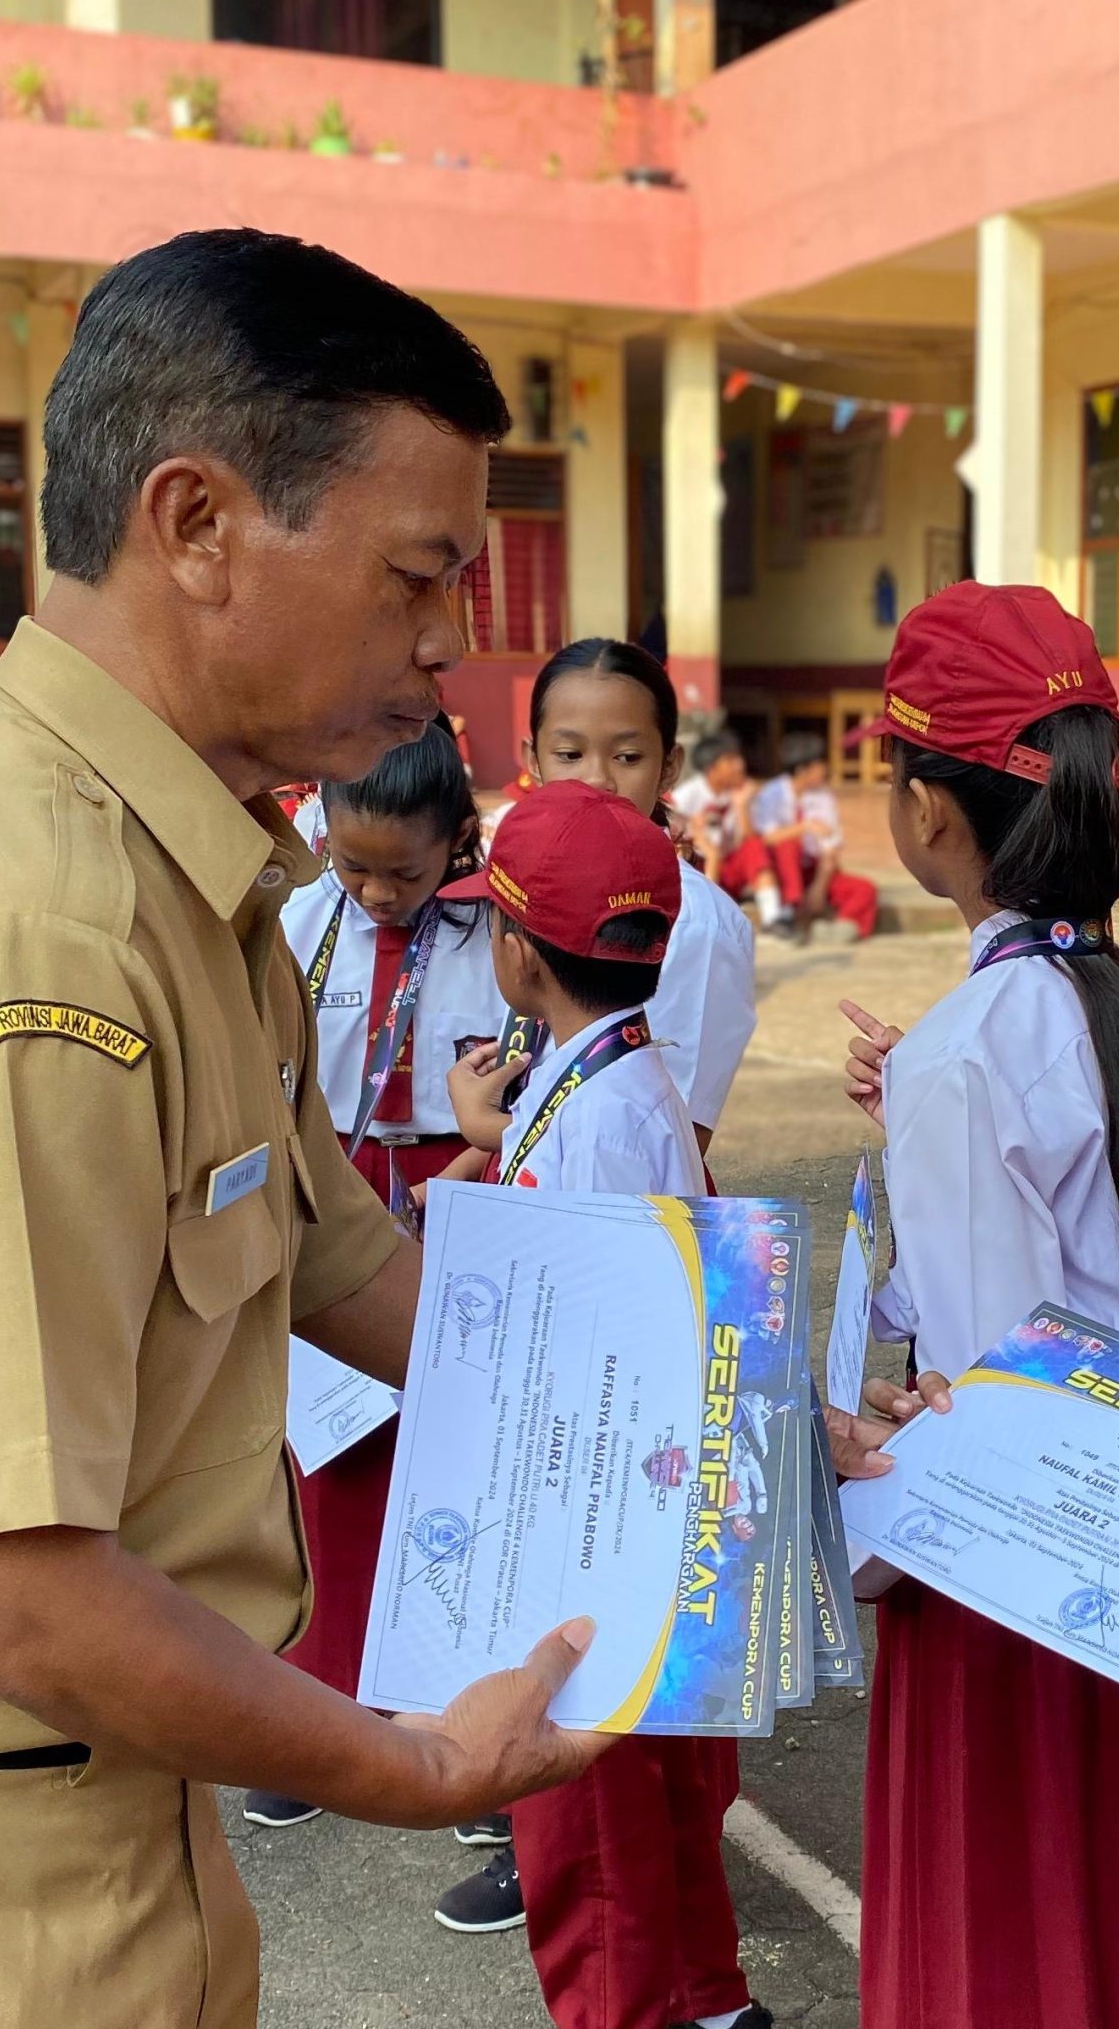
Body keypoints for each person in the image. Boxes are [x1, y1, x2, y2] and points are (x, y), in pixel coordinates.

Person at [0, 230, 613, 2028]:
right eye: (417, 577)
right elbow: (0, 1592)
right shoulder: (33, 939)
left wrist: (702, 1364)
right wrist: (413, 1767)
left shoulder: (190, 878)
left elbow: (326, 1247)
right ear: (198, 523)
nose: (456, 647)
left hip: (81, 1842)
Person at [835, 581, 1119, 2029]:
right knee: (1108, 1918)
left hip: (1002, 1580)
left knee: (993, 1945)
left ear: (930, 813)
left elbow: (987, 1383)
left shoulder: (969, 1048)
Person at [441, 780, 769, 2029]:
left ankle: (642, 2008)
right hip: (642, 1497)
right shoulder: (622, 1081)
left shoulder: (599, 1114)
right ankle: (710, 1999)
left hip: (588, 1511)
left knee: (590, 1829)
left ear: (518, 953)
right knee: (658, 1802)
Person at [244, 721, 500, 1834]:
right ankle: (328, 1708)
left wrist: (480, 1160)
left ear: (457, 839)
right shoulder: (302, 920)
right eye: (353, 864)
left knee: (463, 1460)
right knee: (336, 1463)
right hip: (337, 1180)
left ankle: (464, 1709)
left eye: (404, 869)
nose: (377, 893)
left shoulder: (499, 932)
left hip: (467, 1187)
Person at [515, 639, 759, 1157]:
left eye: (628, 757)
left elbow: (671, 1135)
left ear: (669, 767)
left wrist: (491, 1134)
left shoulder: (694, 923)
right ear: (532, 760)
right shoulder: (520, 883)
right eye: (568, 754)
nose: (598, 780)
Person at [751, 730, 880, 940]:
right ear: (803, 770)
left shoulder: (824, 798)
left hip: (815, 870)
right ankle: (792, 907)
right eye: (820, 764)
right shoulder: (772, 793)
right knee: (788, 845)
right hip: (783, 872)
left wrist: (819, 888)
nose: (825, 770)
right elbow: (767, 838)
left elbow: (831, 847)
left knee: (865, 890)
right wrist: (804, 827)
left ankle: (837, 930)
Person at [672, 730, 782, 929]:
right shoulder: (686, 796)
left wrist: (742, 808)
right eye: (731, 761)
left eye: (738, 758)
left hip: (727, 866)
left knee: (754, 846)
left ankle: (773, 916)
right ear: (712, 769)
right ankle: (702, 914)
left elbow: (749, 840)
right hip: (698, 868)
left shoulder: (742, 793)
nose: (740, 765)